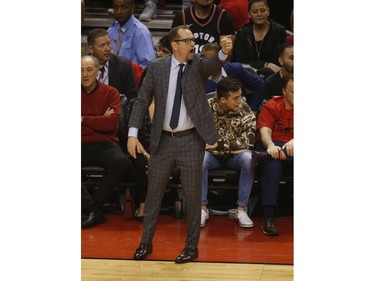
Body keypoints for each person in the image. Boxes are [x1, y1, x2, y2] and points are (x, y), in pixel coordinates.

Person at [127, 25, 233, 263]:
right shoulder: (156, 67)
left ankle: (191, 247)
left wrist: (224, 52)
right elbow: (142, 100)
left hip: (190, 140)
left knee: (193, 197)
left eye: (193, 40)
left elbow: (213, 64)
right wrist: (132, 133)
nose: (191, 45)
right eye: (186, 41)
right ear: (174, 45)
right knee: (153, 195)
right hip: (162, 140)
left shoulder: (198, 65)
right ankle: (145, 244)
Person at [81, 55, 132, 228]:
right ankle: (92, 208)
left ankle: (92, 206)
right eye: (80, 70)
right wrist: (99, 120)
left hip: (105, 144)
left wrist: (82, 120)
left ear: (97, 71)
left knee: (122, 162)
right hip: (80, 143)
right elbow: (104, 123)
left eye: (89, 70)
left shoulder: (111, 92)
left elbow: (111, 125)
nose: (84, 74)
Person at [200, 77, 257, 228]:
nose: (240, 101)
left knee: (248, 158)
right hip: (212, 157)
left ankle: (241, 209)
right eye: (235, 98)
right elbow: (199, 140)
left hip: (235, 157)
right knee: (200, 158)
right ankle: (201, 208)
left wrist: (216, 144)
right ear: (223, 100)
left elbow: (249, 142)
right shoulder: (205, 108)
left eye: (240, 96)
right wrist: (230, 145)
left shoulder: (244, 107)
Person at [256, 73, 293, 236]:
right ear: (284, 91)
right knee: (273, 163)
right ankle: (268, 217)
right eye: (294, 92)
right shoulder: (272, 105)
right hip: (276, 145)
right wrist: (270, 145)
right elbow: (265, 130)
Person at [202, 42, 265, 113]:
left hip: (241, 116)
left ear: (222, 59)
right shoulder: (198, 77)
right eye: (203, 60)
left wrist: (252, 109)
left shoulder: (236, 69)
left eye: (210, 60)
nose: (206, 64)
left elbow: (261, 85)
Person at [232, 0, 286, 78]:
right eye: (254, 11)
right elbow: (240, 60)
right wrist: (265, 64)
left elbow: (276, 60)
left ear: (268, 11)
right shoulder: (243, 33)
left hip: (271, 75)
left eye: (263, 10)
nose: (259, 14)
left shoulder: (278, 31)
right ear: (249, 14)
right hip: (246, 74)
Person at [87, 28, 138, 101]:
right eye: (102, 46)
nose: (107, 49)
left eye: (109, 44)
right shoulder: (81, 66)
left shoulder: (124, 65)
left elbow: (133, 98)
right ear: (91, 49)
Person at [107, 0, 156, 69]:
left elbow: (148, 65)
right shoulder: (111, 30)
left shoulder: (141, 32)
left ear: (132, 8)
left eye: (124, 8)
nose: (119, 12)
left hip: (132, 77)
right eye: (116, 7)